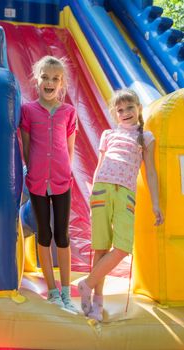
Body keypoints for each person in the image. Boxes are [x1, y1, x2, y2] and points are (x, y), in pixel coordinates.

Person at [78, 88, 164, 321]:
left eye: (129, 108)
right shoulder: (108, 134)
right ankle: (97, 302)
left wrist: (156, 204)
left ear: (138, 108)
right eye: (120, 110)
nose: (125, 112)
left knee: (123, 248)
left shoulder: (145, 137)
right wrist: (93, 194)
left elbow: (151, 174)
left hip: (125, 194)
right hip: (102, 190)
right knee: (101, 246)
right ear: (115, 114)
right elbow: (100, 165)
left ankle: (86, 283)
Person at [20, 55, 78, 312]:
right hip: (37, 181)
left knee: (62, 236)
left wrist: (66, 172)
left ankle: (66, 291)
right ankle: (52, 291)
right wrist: (32, 170)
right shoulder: (28, 111)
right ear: (37, 79)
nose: (49, 82)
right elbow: (27, 145)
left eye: (55, 78)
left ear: (62, 82)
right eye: (45, 77)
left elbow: (70, 148)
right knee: (44, 233)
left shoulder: (69, 112)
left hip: (62, 181)